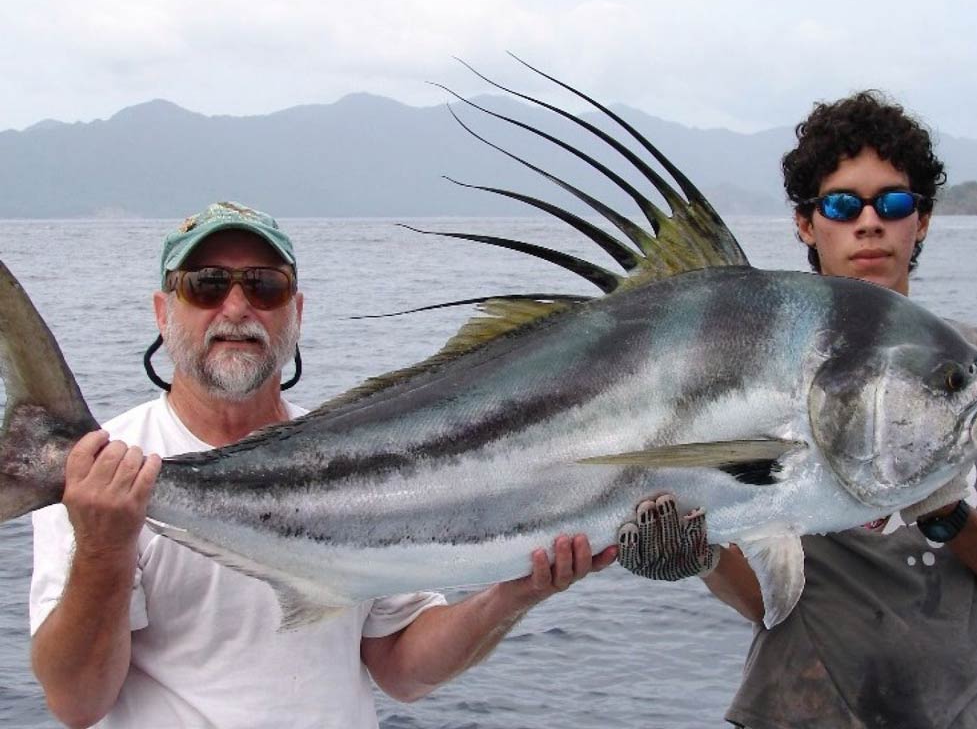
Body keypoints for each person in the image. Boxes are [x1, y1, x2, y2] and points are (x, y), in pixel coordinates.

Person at [29, 201, 617, 729]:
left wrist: (510, 594)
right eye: (206, 286)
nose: (236, 308)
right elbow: (77, 703)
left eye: (265, 287)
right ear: (163, 311)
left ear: (296, 312)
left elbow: (402, 671)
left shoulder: (359, 452)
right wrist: (105, 549)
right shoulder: (101, 472)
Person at [619, 92, 977, 727]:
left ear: (922, 219)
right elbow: (765, 602)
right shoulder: (747, 370)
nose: (870, 223)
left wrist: (948, 515)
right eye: (841, 204)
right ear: (806, 224)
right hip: (791, 710)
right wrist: (698, 554)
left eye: (893, 203)